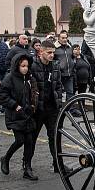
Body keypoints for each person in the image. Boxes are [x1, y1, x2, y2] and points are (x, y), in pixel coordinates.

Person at [0, 53, 39, 180]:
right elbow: (2, 95)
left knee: (29, 142)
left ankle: (27, 168)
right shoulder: (9, 78)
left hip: (27, 114)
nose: (25, 68)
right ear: (17, 66)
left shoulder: (29, 78)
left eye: (27, 66)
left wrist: (33, 105)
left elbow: (34, 92)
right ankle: (6, 158)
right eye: (23, 66)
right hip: (15, 114)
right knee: (20, 140)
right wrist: (14, 105)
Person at [30, 39, 63, 173]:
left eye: (53, 53)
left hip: (52, 107)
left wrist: (59, 102)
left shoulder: (55, 66)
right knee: (32, 137)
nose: (51, 55)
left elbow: (59, 85)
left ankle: (57, 164)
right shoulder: (33, 66)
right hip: (38, 109)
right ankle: (27, 165)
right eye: (49, 52)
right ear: (41, 52)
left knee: (54, 137)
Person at [55, 31, 75, 100]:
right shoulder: (55, 48)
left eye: (66, 38)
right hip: (59, 75)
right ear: (59, 38)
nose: (64, 39)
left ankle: (69, 109)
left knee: (70, 93)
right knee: (59, 93)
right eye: (63, 38)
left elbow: (72, 57)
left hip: (69, 74)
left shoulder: (69, 47)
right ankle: (59, 109)